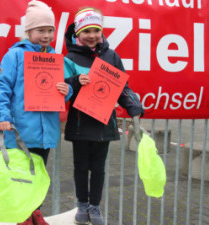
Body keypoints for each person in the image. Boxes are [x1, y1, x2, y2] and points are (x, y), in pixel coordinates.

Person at [0, 1, 72, 225]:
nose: (46, 35)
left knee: (39, 174)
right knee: (22, 175)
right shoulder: (15, 55)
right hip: (22, 130)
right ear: (28, 31)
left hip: (45, 131)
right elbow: (0, 86)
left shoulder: (55, 57)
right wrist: (2, 116)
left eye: (50, 30)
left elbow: (59, 88)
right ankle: (22, 215)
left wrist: (67, 90)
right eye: (41, 30)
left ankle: (35, 210)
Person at [63, 7, 144, 225]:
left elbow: (123, 87)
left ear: (101, 32)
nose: (91, 35)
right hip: (80, 123)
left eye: (95, 30)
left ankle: (94, 207)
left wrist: (134, 107)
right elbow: (61, 89)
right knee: (80, 167)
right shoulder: (69, 58)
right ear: (77, 33)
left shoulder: (112, 56)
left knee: (98, 169)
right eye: (86, 31)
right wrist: (75, 82)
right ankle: (81, 204)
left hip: (104, 122)